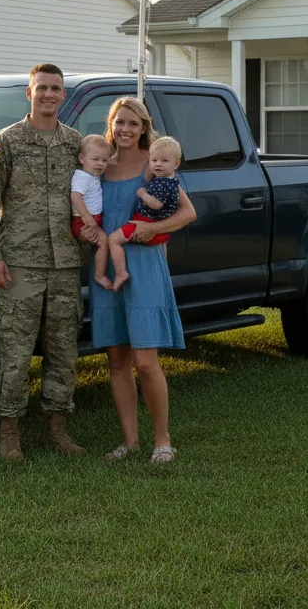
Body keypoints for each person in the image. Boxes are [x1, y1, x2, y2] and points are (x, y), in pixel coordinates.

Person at [0, 63, 88, 461]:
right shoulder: (6, 143)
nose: (49, 95)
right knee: (14, 353)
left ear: (63, 95)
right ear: (29, 93)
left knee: (63, 352)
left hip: (65, 265)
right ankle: (9, 433)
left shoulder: (75, 145)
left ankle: (57, 427)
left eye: (56, 88)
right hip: (18, 265)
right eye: (42, 88)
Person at [88, 97, 198, 464]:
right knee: (117, 359)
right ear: (111, 124)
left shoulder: (155, 163)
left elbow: (188, 212)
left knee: (146, 360)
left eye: (133, 124)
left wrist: (152, 228)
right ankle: (130, 440)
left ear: (144, 127)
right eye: (120, 122)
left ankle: (163, 440)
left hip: (145, 267)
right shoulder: (101, 165)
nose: (125, 130)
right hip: (109, 267)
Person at [106, 135, 183, 291]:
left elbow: (156, 204)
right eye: (154, 161)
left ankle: (121, 273)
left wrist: (142, 193)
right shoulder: (172, 180)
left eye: (164, 161)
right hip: (162, 233)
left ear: (176, 164)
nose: (158, 165)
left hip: (144, 223)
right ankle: (162, 271)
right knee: (162, 246)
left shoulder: (163, 183)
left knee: (113, 240)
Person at [69, 134, 112, 291]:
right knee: (104, 241)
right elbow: (75, 195)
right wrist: (86, 217)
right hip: (83, 220)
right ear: (82, 158)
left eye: (104, 160)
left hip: (92, 218)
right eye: (95, 159)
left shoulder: (92, 176)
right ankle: (99, 275)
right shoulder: (82, 177)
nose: (100, 164)